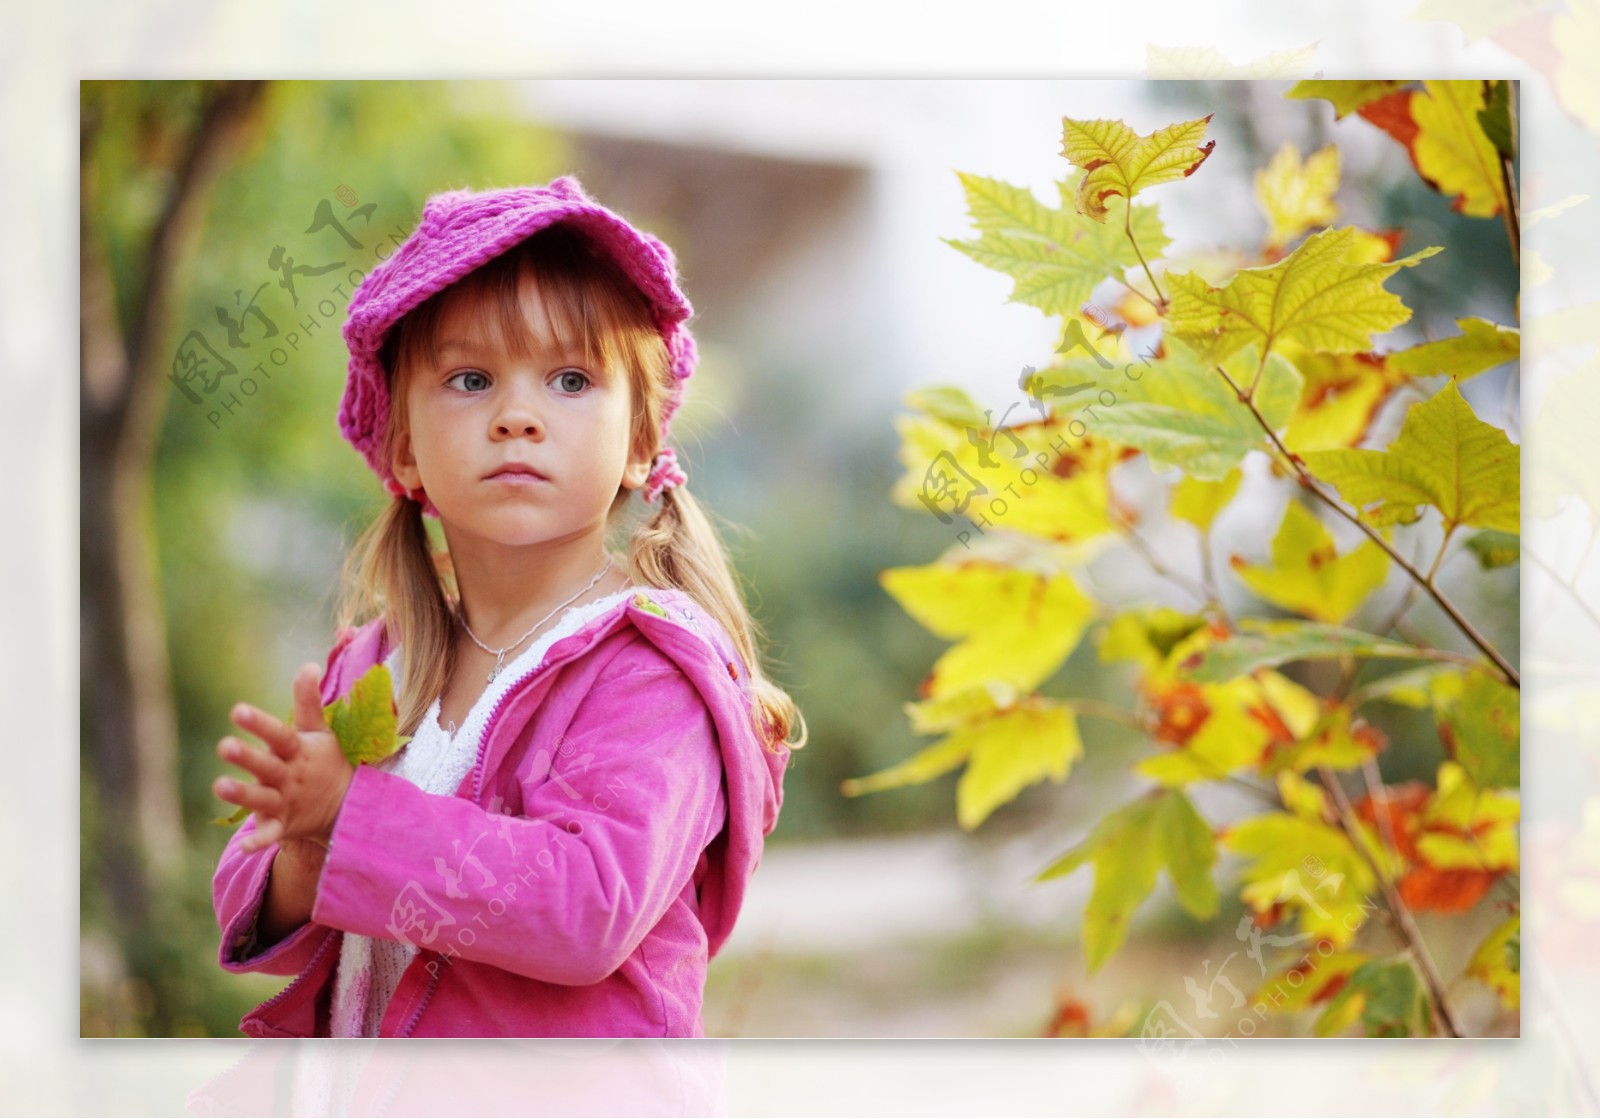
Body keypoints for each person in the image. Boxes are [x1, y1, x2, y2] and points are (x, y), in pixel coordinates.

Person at [208, 175, 803, 1038]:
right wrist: (304, 841)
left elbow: (587, 906)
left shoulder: (652, 672)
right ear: (403, 447)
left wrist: (353, 816)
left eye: (569, 379)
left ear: (641, 442)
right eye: (471, 378)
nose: (518, 415)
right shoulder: (379, 665)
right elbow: (261, 906)